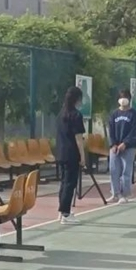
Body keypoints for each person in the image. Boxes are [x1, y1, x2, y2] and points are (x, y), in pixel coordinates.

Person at [55, 85, 85, 225]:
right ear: (77, 99)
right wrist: (83, 156)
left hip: (61, 152)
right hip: (72, 153)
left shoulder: (61, 114)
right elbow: (78, 138)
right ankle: (65, 213)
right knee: (70, 183)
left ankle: (62, 210)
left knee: (63, 182)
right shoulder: (76, 115)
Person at [107, 88, 136, 204]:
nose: (123, 100)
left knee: (126, 171)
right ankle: (115, 194)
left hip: (129, 147)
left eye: (125, 97)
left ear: (129, 99)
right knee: (114, 170)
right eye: (121, 97)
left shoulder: (133, 114)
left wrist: (125, 143)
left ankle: (125, 195)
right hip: (115, 147)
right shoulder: (114, 114)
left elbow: (134, 131)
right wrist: (113, 144)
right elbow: (111, 130)